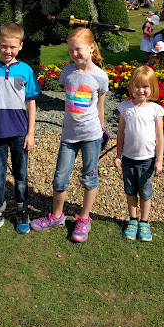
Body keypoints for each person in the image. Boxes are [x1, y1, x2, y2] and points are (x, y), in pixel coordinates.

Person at [30, 27, 109, 243]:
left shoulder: (100, 77)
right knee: (60, 177)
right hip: (69, 136)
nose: (74, 54)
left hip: (91, 135)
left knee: (89, 178)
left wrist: (102, 132)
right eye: (71, 50)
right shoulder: (67, 72)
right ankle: (57, 216)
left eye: (78, 49)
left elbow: (100, 107)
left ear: (91, 48)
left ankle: (84, 218)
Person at [0, 22, 41, 238]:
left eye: (13, 47)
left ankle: (22, 210)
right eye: (4, 46)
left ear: (20, 46)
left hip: (19, 132)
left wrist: (30, 133)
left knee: (21, 175)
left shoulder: (26, 70)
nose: (8, 51)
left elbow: (31, 102)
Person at [114, 65, 164, 242]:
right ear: (131, 87)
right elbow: (121, 132)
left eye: (145, 86)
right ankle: (133, 220)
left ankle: (144, 222)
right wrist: (118, 155)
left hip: (147, 160)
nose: (141, 90)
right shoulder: (125, 107)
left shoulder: (155, 110)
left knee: (145, 191)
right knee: (130, 190)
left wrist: (159, 160)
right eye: (137, 86)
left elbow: (159, 136)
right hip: (128, 159)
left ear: (152, 88)